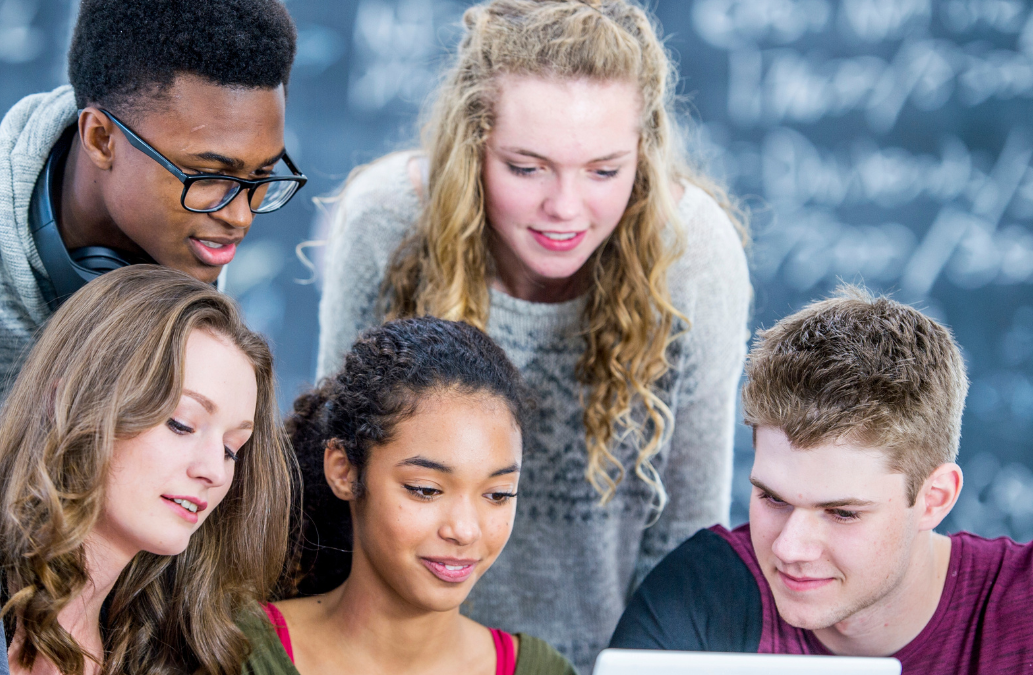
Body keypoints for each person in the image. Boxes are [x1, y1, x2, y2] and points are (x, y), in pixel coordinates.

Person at [314, 0, 751, 668]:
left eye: (605, 171)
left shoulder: (692, 255)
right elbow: (332, 483)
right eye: (526, 167)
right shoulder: (386, 221)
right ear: (473, 146)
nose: (566, 208)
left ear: (644, 151)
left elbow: (685, 538)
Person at [609, 287, 1033, 673]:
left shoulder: (1021, 608)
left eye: (842, 513)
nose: (788, 548)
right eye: (772, 499)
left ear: (934, 498)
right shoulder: (698, 594)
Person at [0, 0, 305, 464]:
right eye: (206, 175)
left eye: (261, 176)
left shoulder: (185, 238)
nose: (240, 217)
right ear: (101, 139)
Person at [0, 266, 295, 675]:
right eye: (181, 424)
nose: (214, 472)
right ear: (71, 402)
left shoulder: (170, 642)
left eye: (231, 450)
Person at [242, 317, 576, 675]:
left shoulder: (542, 670)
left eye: (498, 495)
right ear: (344, 471)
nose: (465, 531)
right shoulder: (238, 653)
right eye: (426, 490)